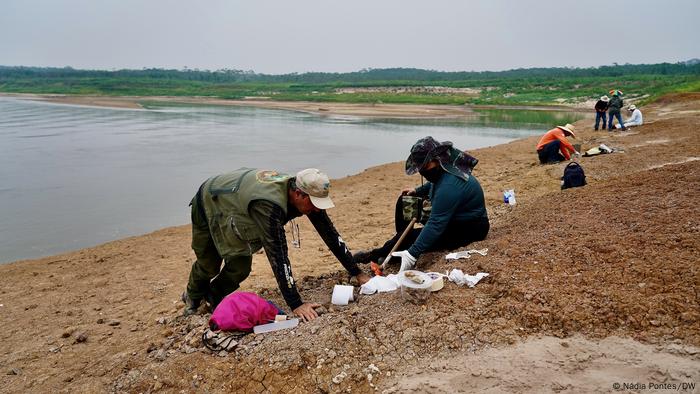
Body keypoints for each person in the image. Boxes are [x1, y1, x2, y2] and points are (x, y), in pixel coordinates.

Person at [182, 167, 370, 321]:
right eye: (313, 203)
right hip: (210, 201)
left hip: (237, 208)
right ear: (298, 194)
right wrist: (296, 303)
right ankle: (192, 296)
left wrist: (357, 272)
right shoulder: (269, 205)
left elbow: (330, 234)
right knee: (208, 264)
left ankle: (212, 298)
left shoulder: (307, 197)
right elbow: (278, 255)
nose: (316, 208)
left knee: (240, 267)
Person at [353, 136, 489, 272]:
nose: (422, 171)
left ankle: (378, 254)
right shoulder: (444, 167)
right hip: (450, 214)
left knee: (411, 237)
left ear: (434, 160)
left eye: (424, 167)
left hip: (469, 227)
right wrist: (417, 191)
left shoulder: (449, 186)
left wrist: (412, 254)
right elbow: (434, 184)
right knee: (404, 202)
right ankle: (400, 242)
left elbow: (436, 224)